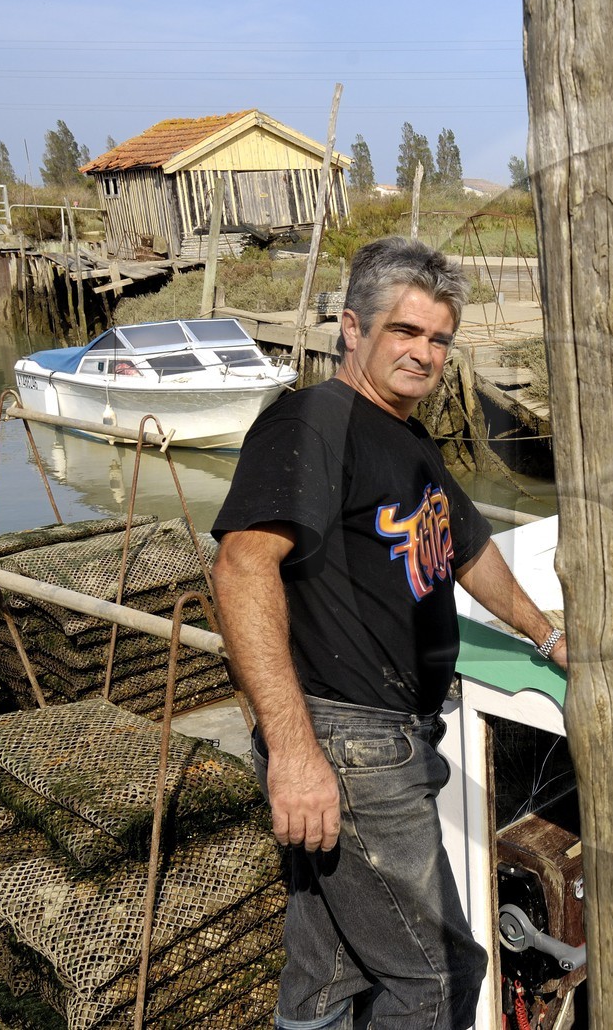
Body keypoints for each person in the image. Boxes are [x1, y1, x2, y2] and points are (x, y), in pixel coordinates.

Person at [212, 236, 567, 1030]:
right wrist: (296, 753)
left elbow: (468, 547)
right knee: (439, 973)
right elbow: (241, 567)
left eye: (439, 339)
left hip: (385, 734)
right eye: (404, 332)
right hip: (349, 740)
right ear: (351, 329)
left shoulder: (406, 438)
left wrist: (549, 637)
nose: (424, 353)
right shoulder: (313, 423)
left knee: (328, 966)